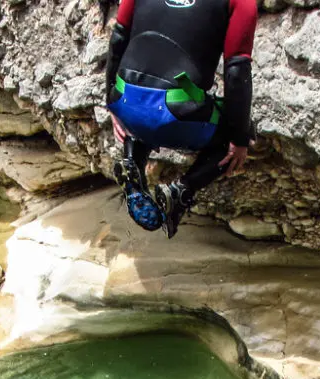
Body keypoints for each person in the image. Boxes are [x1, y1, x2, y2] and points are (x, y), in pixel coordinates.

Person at [105, 0, 258, 238]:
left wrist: (112, 104)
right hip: (174, 112)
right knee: (238, 131)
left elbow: (118, 40)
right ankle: (181, 190)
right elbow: (237, 72)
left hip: (125, 98)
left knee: (150, 96)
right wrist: (239, 138)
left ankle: (132, 158)